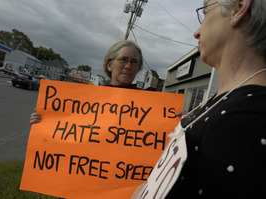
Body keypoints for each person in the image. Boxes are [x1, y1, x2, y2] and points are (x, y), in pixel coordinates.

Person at [132, 0, 266, 198]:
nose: (196, 32)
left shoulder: (247, 119)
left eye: (205, 13)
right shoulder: (229, 107)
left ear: (238, 8)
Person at [30, 40, 143, 124]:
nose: (128, 66)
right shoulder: (89, 99)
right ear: (109, 65)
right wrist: (43, 122)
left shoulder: (147, 107)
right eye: (123, 59)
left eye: (134, 62)